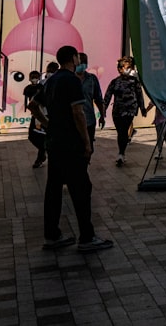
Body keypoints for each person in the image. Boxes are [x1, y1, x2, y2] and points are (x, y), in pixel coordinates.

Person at [29, 45, 112, 252]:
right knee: (81, 188)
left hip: (55, 143)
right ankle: (86, 237)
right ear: (73, 58)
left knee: (54, 189)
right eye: (77, 57)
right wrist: (86, 141)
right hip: (71, 143)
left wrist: (48, 124)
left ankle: (52, 235)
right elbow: (78, 113)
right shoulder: (72, 80)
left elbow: (33, 105)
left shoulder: (51, 80)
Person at [103, 56, 148, 167]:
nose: (129, 70)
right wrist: (103, 110)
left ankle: (121, 154)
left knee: (123, 130)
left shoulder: (134, 82)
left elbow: (139, 95)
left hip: (129, 110)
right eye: (127, 67)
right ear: (120, 69)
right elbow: (107, 96)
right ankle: (121, 150)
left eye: (130, 68)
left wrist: (142, 109)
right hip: (117, 110)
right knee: (120, 132)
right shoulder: (115, 82)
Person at [78, 52, 105, 146]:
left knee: (89, 147)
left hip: (89, 120)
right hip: (73, 121)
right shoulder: (69, 78)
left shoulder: (92, 79)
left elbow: (98, 98)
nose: (82, 64)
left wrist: (102, 115)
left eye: (84, 62)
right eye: (80, 62)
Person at [23, 70, 47, 168]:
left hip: (43, 114)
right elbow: (27, 101)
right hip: (36, 114)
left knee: (42, 135)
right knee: (33, 136)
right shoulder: (28, 88)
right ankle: (43, 151)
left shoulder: (41, 88)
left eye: (36, 77)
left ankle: (40, 158)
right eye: (32, 76)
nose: (34, 79)